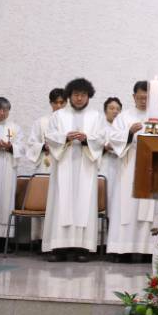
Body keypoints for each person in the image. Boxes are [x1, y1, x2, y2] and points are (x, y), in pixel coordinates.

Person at [43, 78, 106, 262]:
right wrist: (65, 137)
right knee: (60, 202)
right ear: (69, 96)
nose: (79, 98)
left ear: (89, 96)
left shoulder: (96, 116)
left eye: (83, 95)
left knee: (84, 204)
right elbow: (50, 136)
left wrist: (87, 139)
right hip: (63, 165)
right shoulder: (58, 116)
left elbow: (102, 138)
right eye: (76, 94)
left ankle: (82, 248)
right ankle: (58, 248)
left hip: (86, 166)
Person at [107, 81, 158, 258]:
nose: (143, 101)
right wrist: (129, 133)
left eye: (147, 98)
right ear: (134, 97)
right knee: (126, 206)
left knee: (150, 207)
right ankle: (122, 250)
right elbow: (113, 139)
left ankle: (147, 250)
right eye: (140, 97)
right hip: (129, 165)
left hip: (152, 166)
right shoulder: (123, 117)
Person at [0, 97, 23, 242]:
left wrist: (11, 147)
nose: (2, 113)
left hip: (7, 166)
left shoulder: (15, 128)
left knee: (5, 198)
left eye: (5, 110)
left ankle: (3, 239)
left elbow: (21, 148)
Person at [23, 88, 66, 176]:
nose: (58, 106)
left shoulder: (72, 122)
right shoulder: (40, 122)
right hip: (47, 162)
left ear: (66, 102)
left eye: (61, 102)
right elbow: (31, 144)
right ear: (51, 103)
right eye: (55, 102)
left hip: (65, 163)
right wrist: (43, 147)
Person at [99, 96, 122, 189]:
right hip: (103, 166)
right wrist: (105, 147)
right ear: (105, 111)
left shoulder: (124, 129)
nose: (115, 111)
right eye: (111, 108)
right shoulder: (99, 127)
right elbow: (92, 147)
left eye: (118, 109)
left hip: (119, 166)